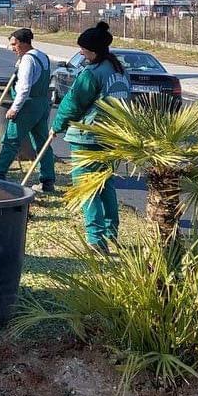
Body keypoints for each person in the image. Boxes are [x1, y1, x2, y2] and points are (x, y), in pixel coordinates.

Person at [48, 22, 131, 255]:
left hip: (88, 137)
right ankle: (110, 232)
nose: (81, 54)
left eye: (83, 50)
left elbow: (73, 102)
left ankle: (95, 239)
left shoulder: (92, 74)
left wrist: (57, 126)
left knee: (87, 187)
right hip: (112, 136)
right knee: (105, 185)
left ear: (93, 50)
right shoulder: (119, 71)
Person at [0, 28, 55, 191]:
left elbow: (24, 88)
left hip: (27, 106)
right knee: (42, 142)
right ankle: (47, 180)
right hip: (42, 105)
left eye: (14, 44)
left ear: (24, 43)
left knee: (11, 140)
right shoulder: (42, 56)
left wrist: (14, 108)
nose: (12, 48)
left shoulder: (27, 61)